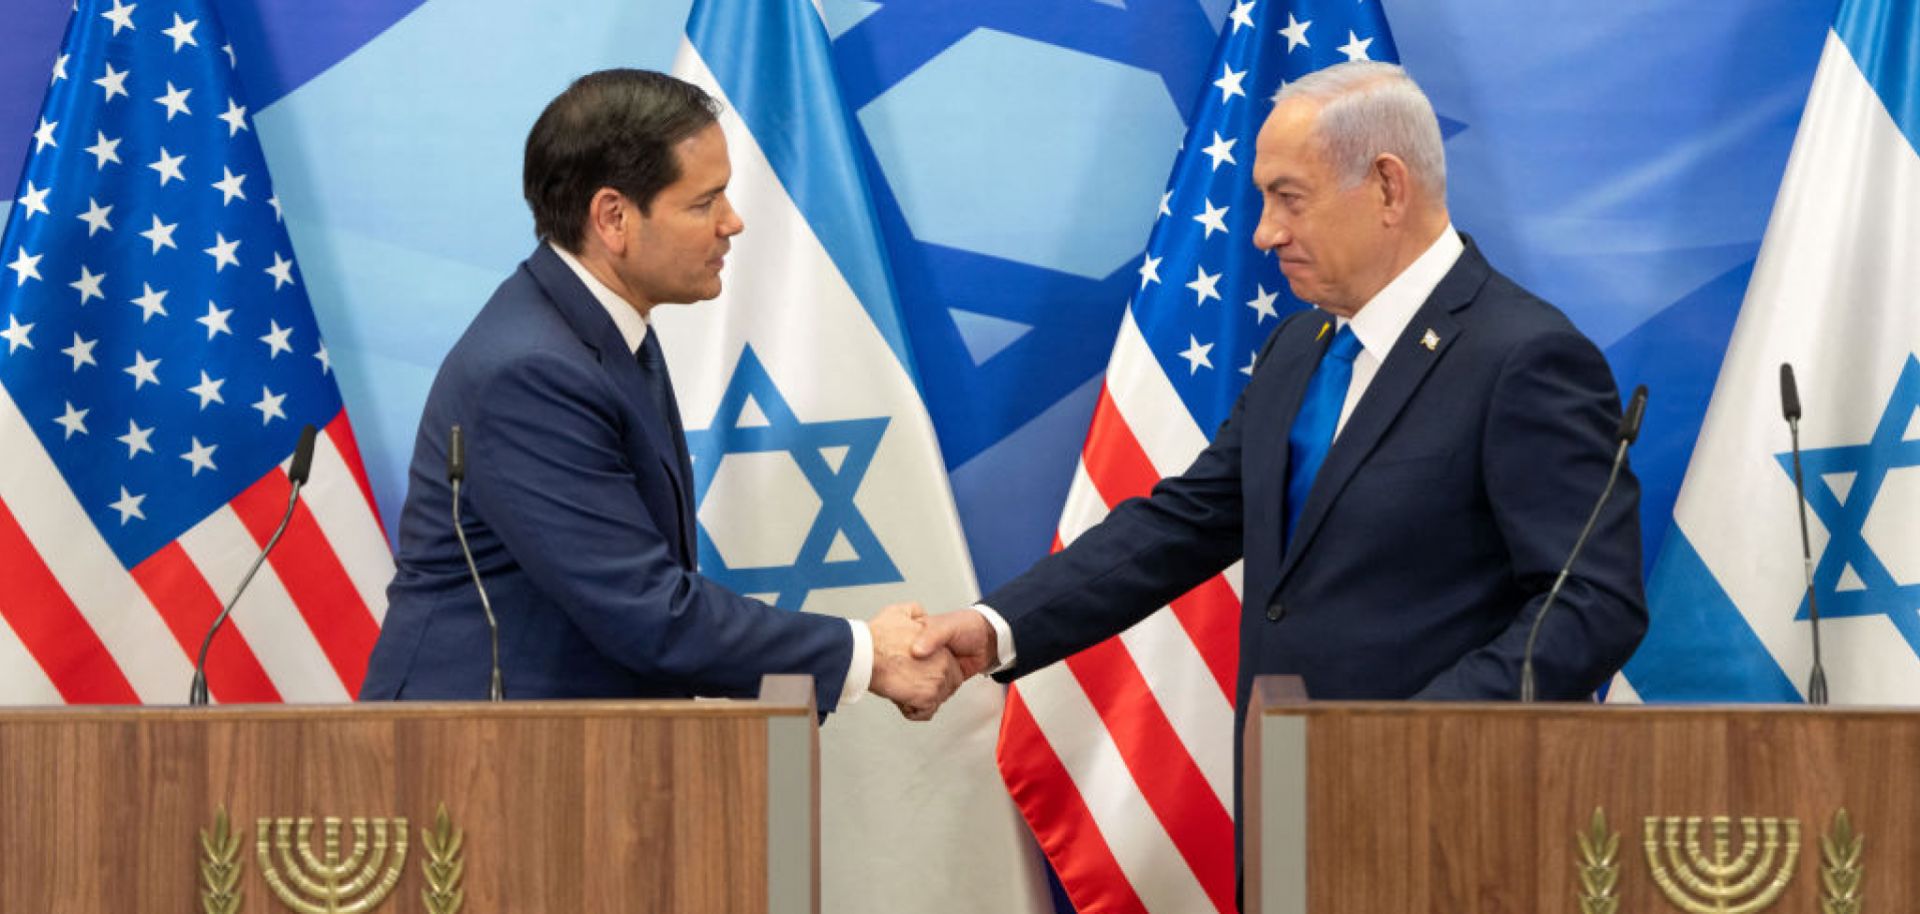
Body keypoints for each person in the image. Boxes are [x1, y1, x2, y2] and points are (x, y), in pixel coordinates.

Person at [913, 63, 1646, 716]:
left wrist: (1409, 742)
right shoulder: (1299, 347)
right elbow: (1186, 523)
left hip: (1433, 813)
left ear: (1389, 186)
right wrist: (993, 627)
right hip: (1282, 790)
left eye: (1289, 198)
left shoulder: (1523, 355)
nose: (1265, 234)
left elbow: (1590, 603)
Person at [360, 69, 958, 714]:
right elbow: (646, 612)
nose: (733, 222)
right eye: (705, 202)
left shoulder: (602, 331)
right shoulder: (532, 370)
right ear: (614, 217)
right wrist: (867, 653)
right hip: (470, 760)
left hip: (573, 749)